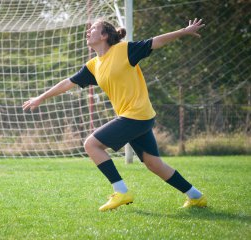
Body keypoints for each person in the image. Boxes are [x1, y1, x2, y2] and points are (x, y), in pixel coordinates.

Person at [23, 18, 207, 211]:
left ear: (104, 36)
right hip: (137, 117)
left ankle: (121, 191)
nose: (88, 31)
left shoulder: (124, 50)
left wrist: (184, 31)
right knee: (154, 163)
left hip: (136, 115)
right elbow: (67, 83)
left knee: (91, 144)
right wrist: (41, 98)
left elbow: (156, 41)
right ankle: (196, 196)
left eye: (93, 28)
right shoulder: (94, 65)